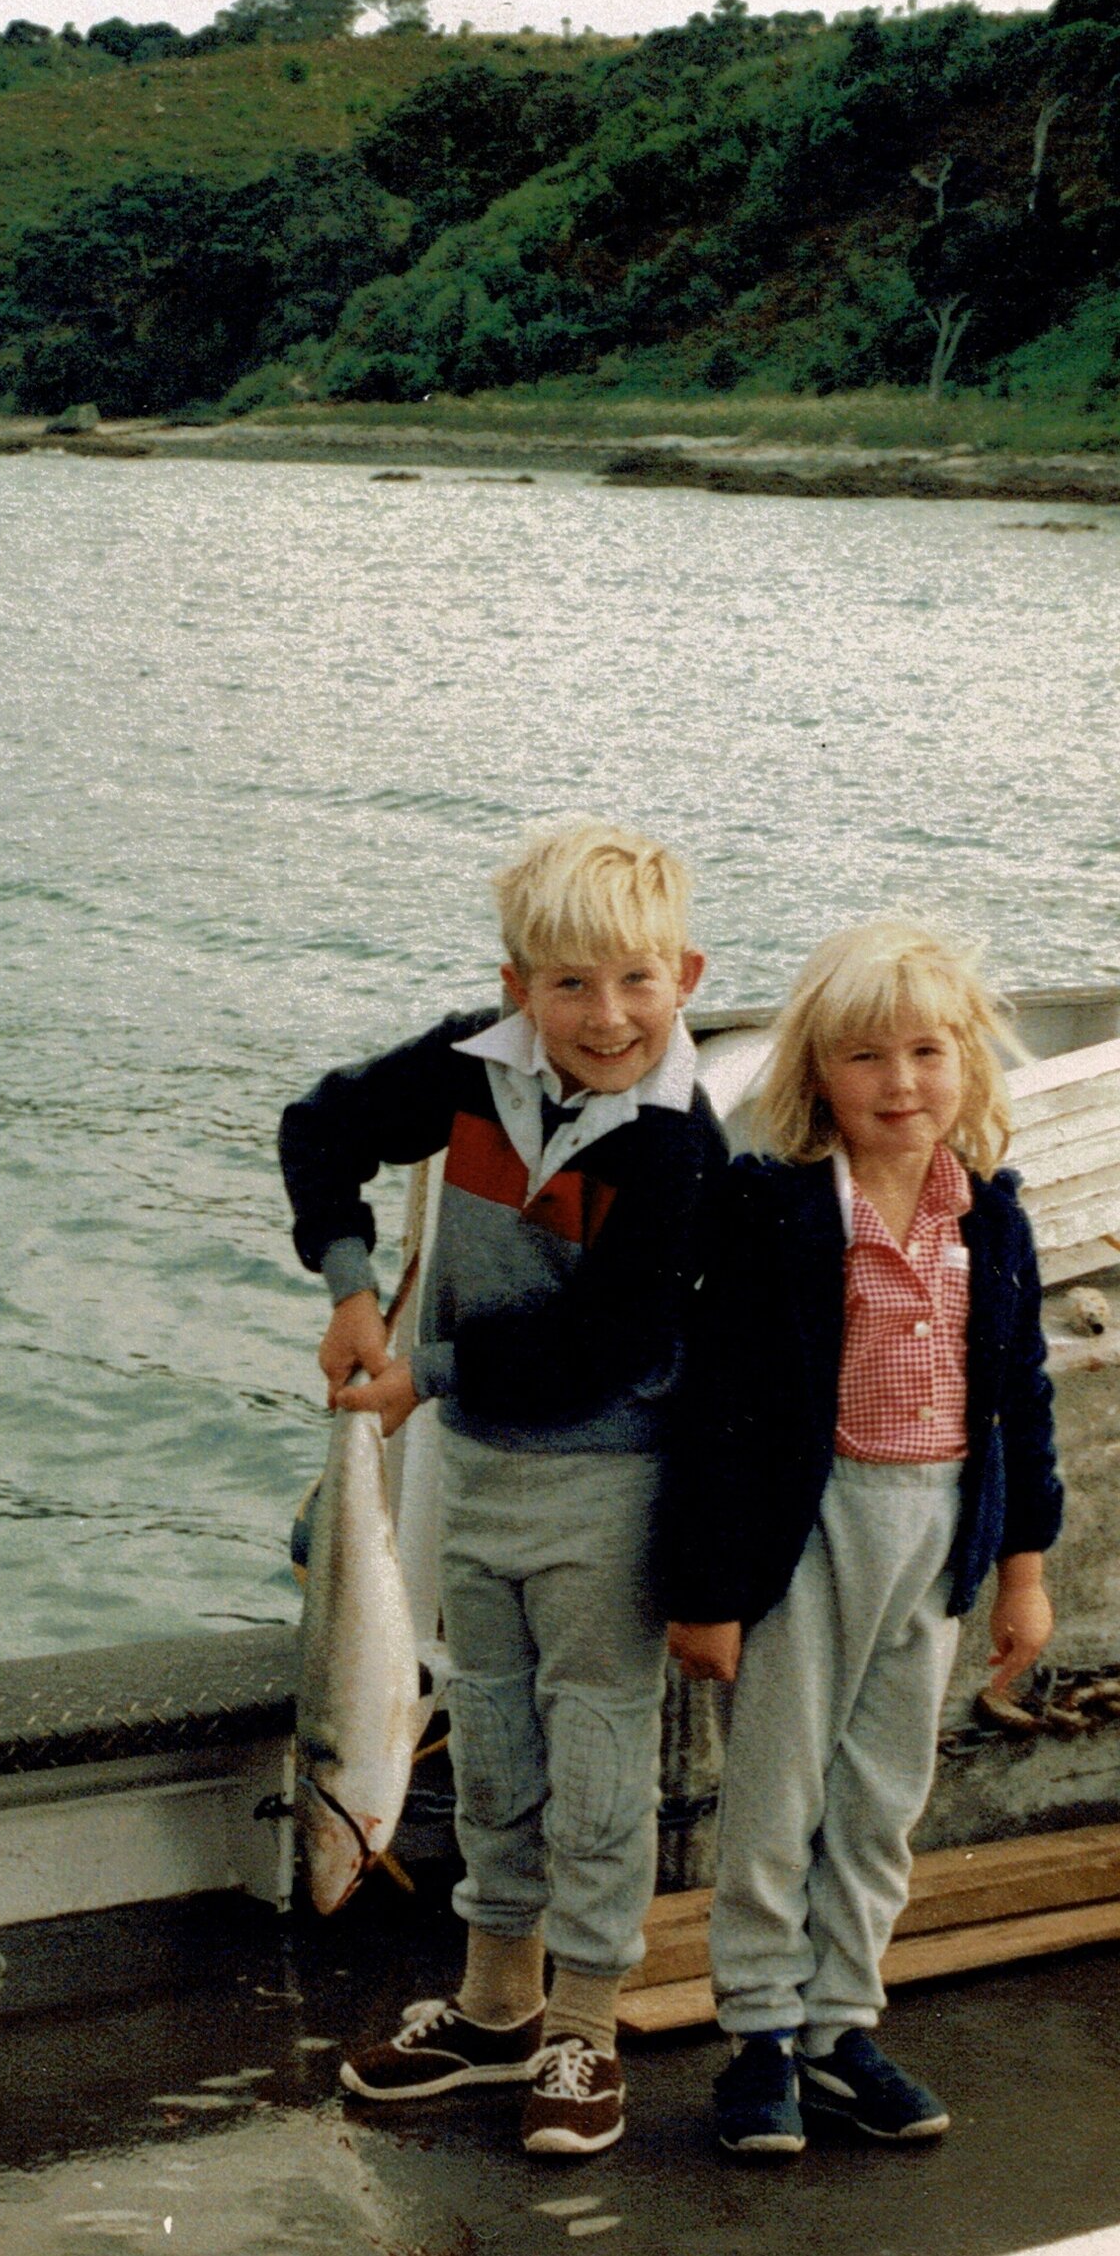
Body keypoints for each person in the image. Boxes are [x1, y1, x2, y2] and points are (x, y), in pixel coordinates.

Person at [279, 820, 724, 2156]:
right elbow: (321, 1126)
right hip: (474, 1475)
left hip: (608, 1482)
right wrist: (352, 1282)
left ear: (688, 976)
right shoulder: (475, 1067)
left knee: (595, 1753)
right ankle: (494, 2007)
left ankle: (585, 2022)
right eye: (569, 983)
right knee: (490, 1732)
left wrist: (424, 1368)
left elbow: (610, 1339)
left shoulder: (679, 1142)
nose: (605, 1015)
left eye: (637, 981)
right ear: (518, 982)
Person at [666, 919, 1061, 2158]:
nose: (900, 1084)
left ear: (965, 1064)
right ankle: (760, 2034)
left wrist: (1021, 1570)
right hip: (809, 1528)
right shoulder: (772, 1209)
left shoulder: (986, 1216)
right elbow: (718, 1408)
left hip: (936, 1529)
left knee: (883, 1792)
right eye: (867, 1058)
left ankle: (840, 2022)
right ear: (816, 1078)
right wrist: (707, 1590)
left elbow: (1021, 1401)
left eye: (925, 1052)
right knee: (776, 1791)